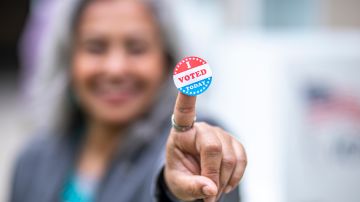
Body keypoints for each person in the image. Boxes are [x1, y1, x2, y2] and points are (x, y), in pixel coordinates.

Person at [11, 0, 247, 202]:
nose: (115, 69)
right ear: (68, 61)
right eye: (96, 48)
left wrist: (175, 192)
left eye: (136, 48)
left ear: (166, 61)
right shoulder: (33, 159)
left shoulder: (195, 144)